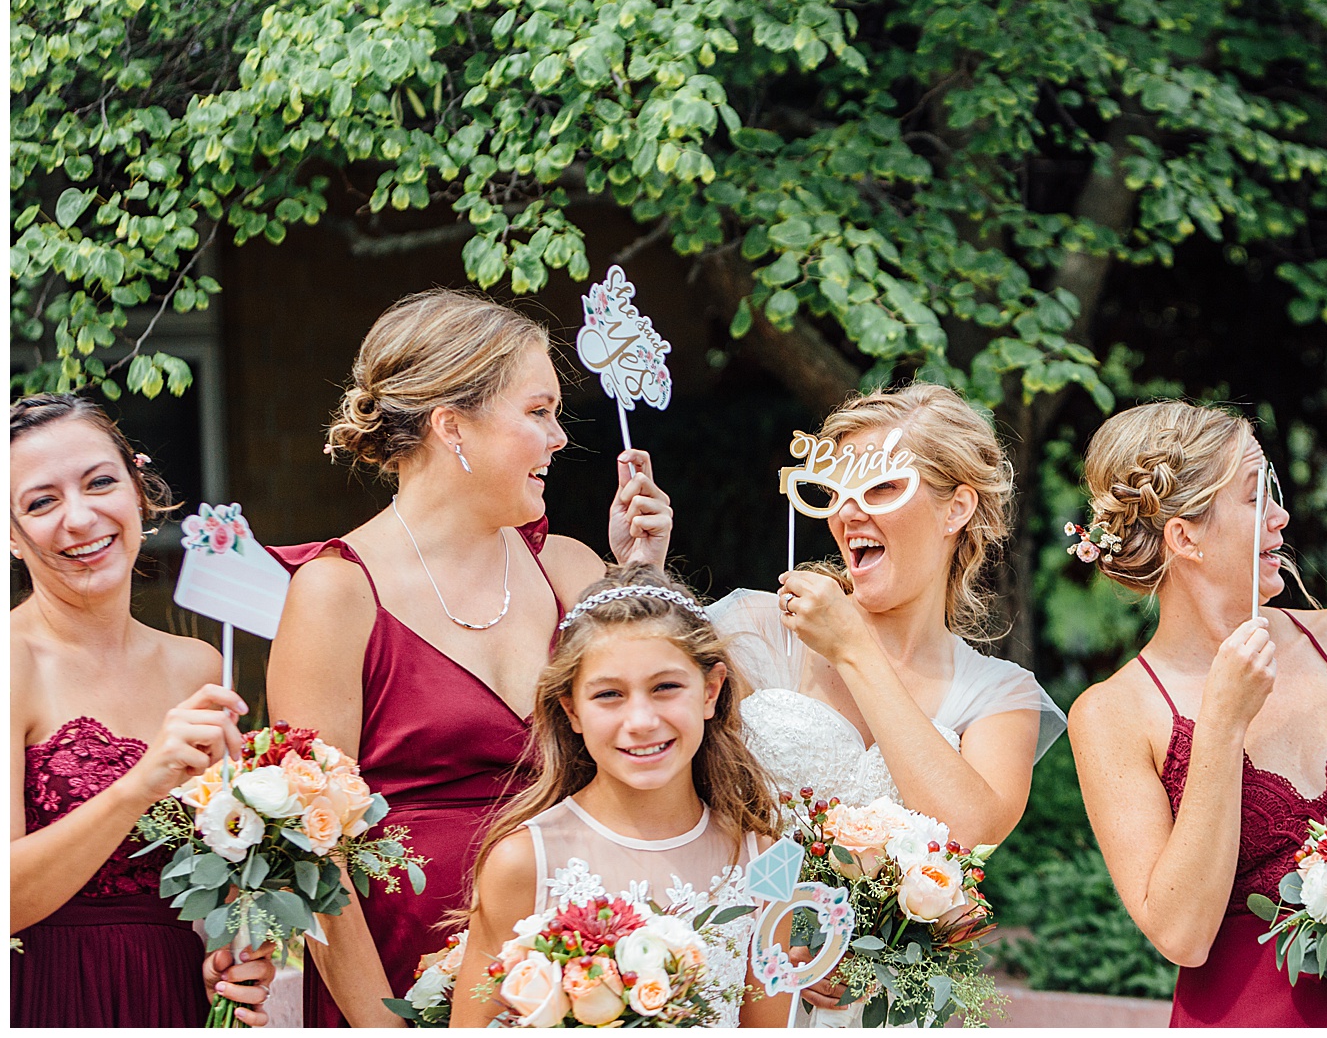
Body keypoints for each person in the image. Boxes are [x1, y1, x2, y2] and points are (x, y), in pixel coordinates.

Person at [266, 289, 675, 1028]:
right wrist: (379, 1024)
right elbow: (308, 851)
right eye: (538, 411)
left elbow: (658, 754)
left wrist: (643, 584)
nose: (559, 439)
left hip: (578, 971)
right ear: (452, 425)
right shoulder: (336, 594)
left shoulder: (574, 572)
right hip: (397, 980)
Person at [1067, 400, 1327, 1028]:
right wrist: (1222, 724)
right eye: (1256, 498)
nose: (1282, 517)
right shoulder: (1113, 713)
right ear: (1185, 536)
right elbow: (1182, 935)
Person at [711, 383, 1062, 1021]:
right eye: (837, 491)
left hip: (881, 1009)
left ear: (957, 508)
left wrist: (856, 652)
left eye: (879, 489)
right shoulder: (755, 631)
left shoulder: (1000, 695)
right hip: (734, 982)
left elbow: (969, 832)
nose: (849, 513)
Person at [10, 392, 275, 1028]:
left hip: (171, 995)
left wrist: (226, 952)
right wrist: (142, 783)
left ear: (138, 489)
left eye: (101, 482)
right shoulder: (9, 664)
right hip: (49, 994)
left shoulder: (199, 666)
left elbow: (213, 874)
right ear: (10, 536)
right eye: (41, 502)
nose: (79, 518)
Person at [449, 571, 788, 1027]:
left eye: (666, 687)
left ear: (710, 690)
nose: (642, 720)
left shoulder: (763, 862)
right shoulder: (523, 861)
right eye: (609, 695)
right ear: (572, 710)